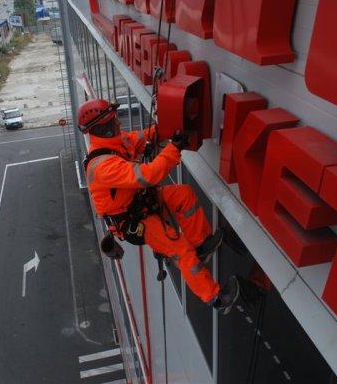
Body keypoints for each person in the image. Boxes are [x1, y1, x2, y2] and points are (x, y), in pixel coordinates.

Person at [78, 99, 240, 314]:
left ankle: (201, 246)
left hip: (140, 203)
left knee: (184, 195)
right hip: (134, 220)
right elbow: (147, 176)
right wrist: (174, 148)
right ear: (103, 128)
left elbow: (144, 137)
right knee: (180, 249)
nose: (117, 122)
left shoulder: (116, 142)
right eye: (112, 120)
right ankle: (217, 299)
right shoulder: (102, 167)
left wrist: (168, 129)